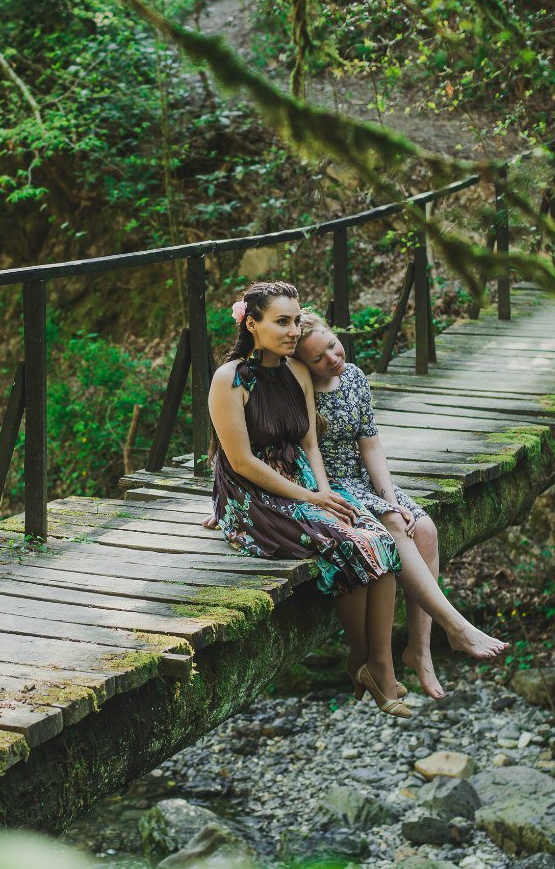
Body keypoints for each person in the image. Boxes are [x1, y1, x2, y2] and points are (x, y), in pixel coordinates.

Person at [206, 281, 410, 718]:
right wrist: (309, 497)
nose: (293, 330)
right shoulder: (230, 380)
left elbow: (311, 445)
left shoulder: (296, 371)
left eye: (297, 320)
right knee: (347, 546)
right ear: (252, 324)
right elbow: (240, 462)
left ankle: (379, 663)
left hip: (300, 478)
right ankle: (364, 662)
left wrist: (326, 493)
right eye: (282, 322)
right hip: (253, 494)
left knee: (381, 541)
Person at [294, 309, 508, 701]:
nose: (332, 358)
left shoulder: (354, 377)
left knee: (423, 528)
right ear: (302, 363)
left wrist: (391, 498)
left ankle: (419, 650)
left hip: (361, 479)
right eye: (318, 358)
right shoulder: (298, 388)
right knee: (394, 525)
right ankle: (455, 626)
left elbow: (370, 442)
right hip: (327, 485)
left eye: (331, 345)